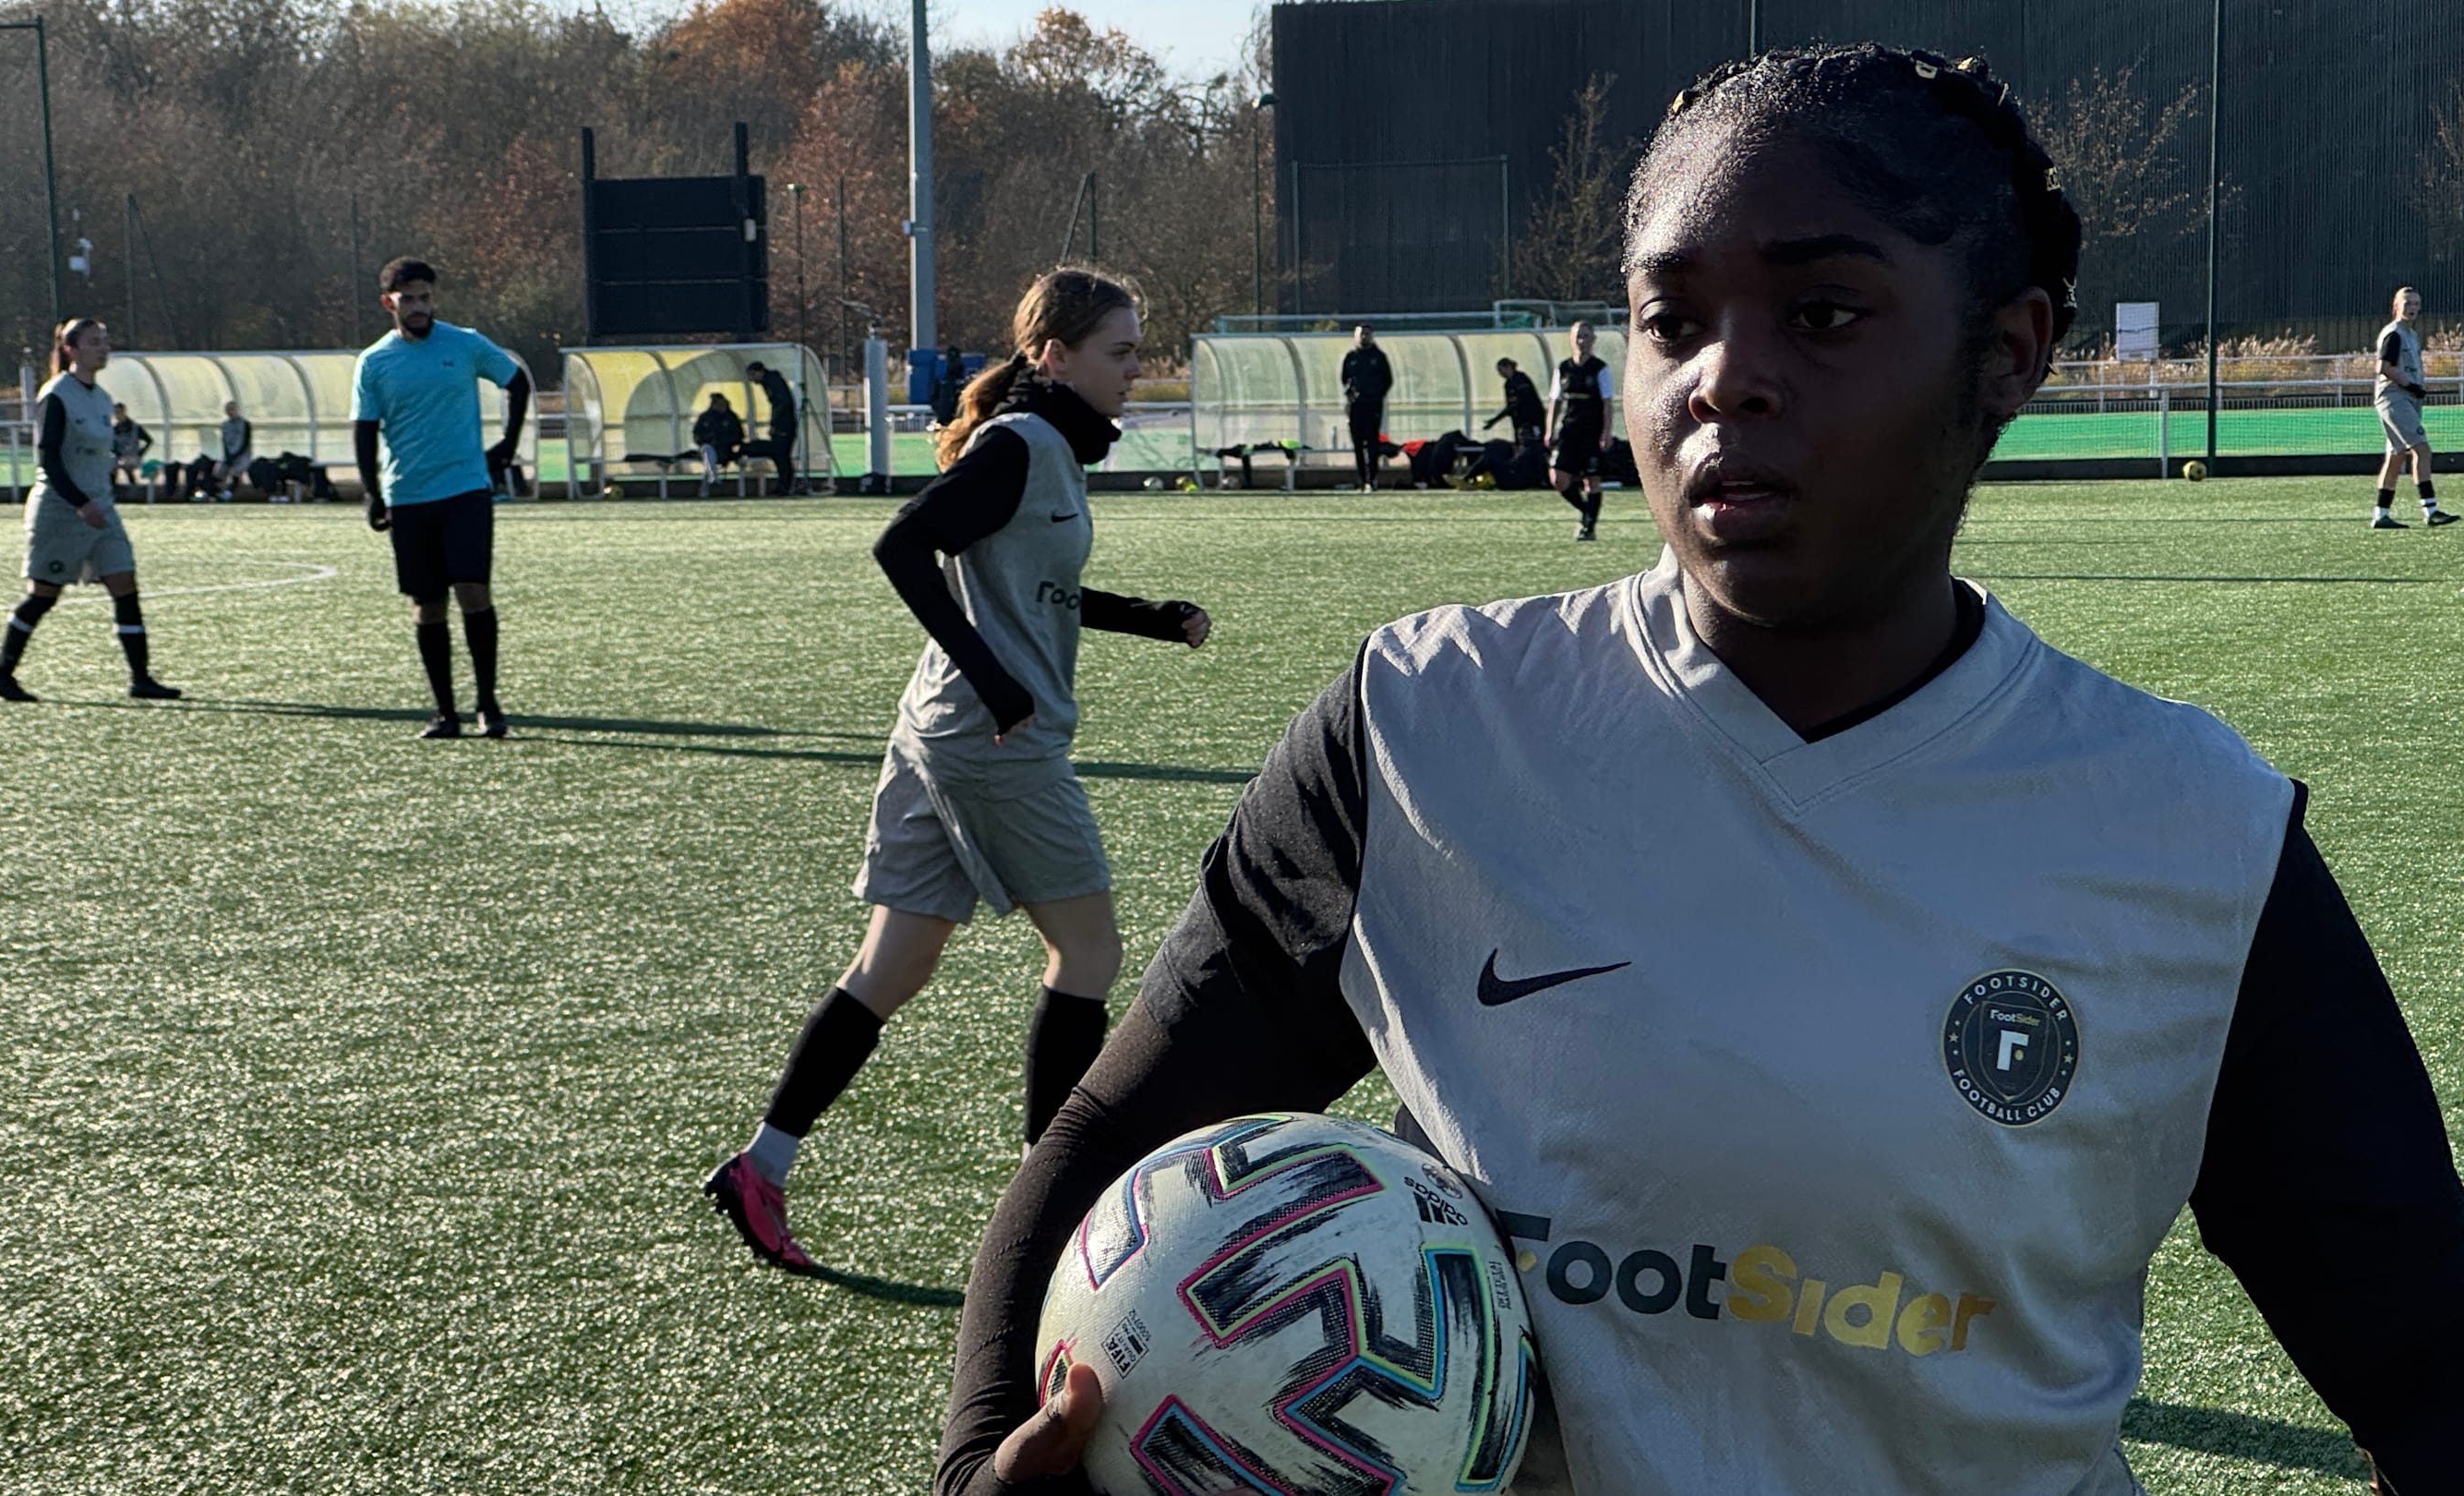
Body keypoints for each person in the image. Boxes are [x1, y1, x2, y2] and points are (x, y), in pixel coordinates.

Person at [937, 45, 2462, 1496]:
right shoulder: (1424, 728)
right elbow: (1112, 1142)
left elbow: (2426, 1359)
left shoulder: (2191, 833)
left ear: (2007, 352)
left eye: (1825, 313)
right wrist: (983, 1457)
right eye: (1672, 320)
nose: (1724, 379)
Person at [706, 267, 1214, 1274]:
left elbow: (1032, 589)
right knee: (1089, 954)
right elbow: (904, 545)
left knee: (894, 966)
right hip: (991, 743)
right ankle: (1045, 1212)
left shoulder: (1047, 447)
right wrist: (996, 681)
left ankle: (760, 1166)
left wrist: (1152, 618)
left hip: (937, 731)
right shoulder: (1021, 445)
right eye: (1119, 352)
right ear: (1054, 356)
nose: (1134, 370)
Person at [352, 256, 532, 740]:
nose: (419, 307)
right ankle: (444, 712)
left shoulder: (465, 344)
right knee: (427, 604)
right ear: (388, 303)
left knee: (473, 590)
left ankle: (488, 705)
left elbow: (517, 382)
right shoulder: (374, 361)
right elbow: (364, 429)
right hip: (409, 495)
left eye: (425, 298)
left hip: (466, 490)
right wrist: (373, 493)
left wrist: (507, 447)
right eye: (408, 299)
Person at [0, 318, 182, 704]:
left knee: (125, 584)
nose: (103, 348)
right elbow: (49, 459)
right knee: (44, 594)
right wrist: (81, 503)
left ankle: (141, 679)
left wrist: (115, 467)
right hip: (62, 510)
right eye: (94, 342)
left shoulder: (102, 398)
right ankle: (0, 673)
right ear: (71, 350)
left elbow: (95, 453)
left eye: (105, 341)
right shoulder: (57, 394)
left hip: (101, 508)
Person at [2370, 285, 2448, 529]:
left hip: (2407, 399)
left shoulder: (2411, 335)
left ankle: (2380, 515)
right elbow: (2383, 367)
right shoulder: (2394, 333)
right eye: (2407, 303)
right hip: (2395, 398)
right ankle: (2431, 510)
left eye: (2416, 304)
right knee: (2422, 450)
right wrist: (2410, 385)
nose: (2412, 308)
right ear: (2396, 306)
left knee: (2396, 456)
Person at [1548, 320, 1617, 538]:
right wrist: (1549, 430)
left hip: (1591, 431)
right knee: (1558, 480)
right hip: (1568, 430)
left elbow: (1607, 403)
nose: (1582, 341)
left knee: (1592, 480)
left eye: (1586, 336)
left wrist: (1606, 433)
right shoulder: (1563, 368)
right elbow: (1555, 401)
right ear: (1571, 339)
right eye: (1578, 336)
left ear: (1593, 340)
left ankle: (1589, 528)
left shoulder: (1599, 368)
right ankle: (1587, 512)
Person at [1340, 324, 1394, 491]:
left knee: (1372, 443)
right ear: (1356, 336)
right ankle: (1362, 480)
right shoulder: (1351, 357)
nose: (1364, 337)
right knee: (1357, 443)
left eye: (1367, 334)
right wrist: (1351, 394)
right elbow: (1344, 379)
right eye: (1361, 334)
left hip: (1373, 405)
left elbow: (1387, 380)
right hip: (1356, 406)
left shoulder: (1378, 357)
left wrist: (1376, 395)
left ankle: (1373, 479)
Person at [745, 360, 800, 494]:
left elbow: (781, 405)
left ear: (760, 372)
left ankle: (785, 485)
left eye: (753, 375)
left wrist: (775, 424)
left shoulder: (773, 382)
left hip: (784, 425)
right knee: (780, 455)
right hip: (783, 424)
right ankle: (784, 485)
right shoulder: (770, 382)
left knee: (781, 455)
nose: (752, 380)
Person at [1483, 356, 1545, 446]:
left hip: (1533, 419)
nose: (1500, 373)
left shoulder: (1521, 379)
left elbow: (1521, 401)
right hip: (1519, 421)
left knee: (1536, 442)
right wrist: (1494, 420)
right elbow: (1510, 406)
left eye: (1500, 370)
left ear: (1508, 367)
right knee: (1520, 444)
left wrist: (1495, 420)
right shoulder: (1508, 384)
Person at [691, 392, 745, 485]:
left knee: (708, 450)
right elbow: (697, 436)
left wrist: (724, 441)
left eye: (722, 404)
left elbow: (739, 435)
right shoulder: (705, 417)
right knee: (707, 449)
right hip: (708, 447)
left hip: (726, 450)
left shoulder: (731, 417)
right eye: (717, 404)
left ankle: (713, 476)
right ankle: (713, 476)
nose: (720, 406)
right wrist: (709, 439)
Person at [110, 402, 153, 502]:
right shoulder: (115, 429)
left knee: (125, 465)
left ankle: (134, 492)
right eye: (115, 413)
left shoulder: (135, 427)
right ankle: (112, 493)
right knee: (111, 465)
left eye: (119, 412)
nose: (117, 415)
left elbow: (149, 441)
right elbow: (112, 445)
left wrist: (140, 453)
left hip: (133, 457)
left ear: (124, 412)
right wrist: (116, 452)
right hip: (120, 458)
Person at [213, 401, 254, 501]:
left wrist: (236, 455)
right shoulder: (225, 425)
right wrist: (228, 456)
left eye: (232, 410)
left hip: (243, 455)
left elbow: (245, 442)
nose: (230, 412)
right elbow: (224, 442)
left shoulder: (245, 424)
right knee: (218, 471)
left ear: (237, 410)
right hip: (229, 454)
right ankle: (217, 493)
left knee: (235, 471)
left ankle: (228, 494)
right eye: (228, 410)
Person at [932, 344, 968, 428]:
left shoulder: (966, 379)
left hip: (961, 420)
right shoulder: (942, 379)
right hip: (943, 420)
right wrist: (940, 411)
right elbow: (934, 397)